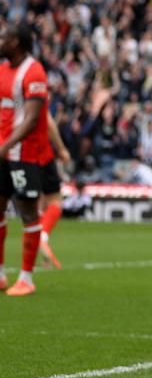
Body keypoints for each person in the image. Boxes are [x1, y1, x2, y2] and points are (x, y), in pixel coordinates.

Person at [0, 24, 56, 296]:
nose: (0, 41)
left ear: (17, 43)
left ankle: (26, 278)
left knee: (27, 212)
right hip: (2, 151)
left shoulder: (34, 72)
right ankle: (0, 274)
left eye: (5, 38)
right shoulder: (2, 70)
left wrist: (6, 145)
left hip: (24, 154)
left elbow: (33, 119)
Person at [37, 107, 72, 269]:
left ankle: (38, 262)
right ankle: (42, 238)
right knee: (55, 200)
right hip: (41, 152)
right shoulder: (33, 87)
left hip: (15, 154)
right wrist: (62, 149)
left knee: (35, 205)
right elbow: (48, 122)